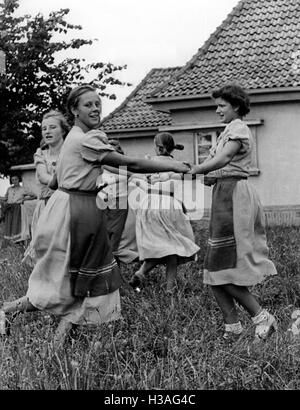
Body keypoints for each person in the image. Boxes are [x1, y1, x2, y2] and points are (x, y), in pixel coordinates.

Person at [0, 84, 190, 346]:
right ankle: (19, 320)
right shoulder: (88, 139)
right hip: (77, 213)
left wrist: (85, 183)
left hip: (68, 208)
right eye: (88, 104)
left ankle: (36, 332)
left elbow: (55, 182)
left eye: (98, 103)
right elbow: (130, 163)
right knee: (77, 281)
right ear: (74, 110)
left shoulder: (73, 140)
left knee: (75, 281)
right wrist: (173, 164)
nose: (95, 108)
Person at [188, 84, 278, 342]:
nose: (217, 111)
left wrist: (199, 169)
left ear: (235, 106)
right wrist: (207, 174)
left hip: (235, 198)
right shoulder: (226, 131)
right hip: (223, 196)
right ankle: (232, 327)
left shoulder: (238, 127)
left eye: (221, 106)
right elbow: (218, 167)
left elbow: (225, 159)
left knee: (227, 266)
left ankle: (262, 317)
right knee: (215, 267)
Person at [129, 132, 200, 293]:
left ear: (157, 147)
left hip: (150, 204)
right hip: (169, 205)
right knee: (173, 247)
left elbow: (134, 178)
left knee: (161, 246)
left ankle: (142, 274)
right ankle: (168, 288)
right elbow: (192, 175)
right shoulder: (178, 164)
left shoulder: (148, 163)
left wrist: (145, 183)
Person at [22, 110, 68, 265]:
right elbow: (42, 176)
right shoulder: (40, 154)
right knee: (46, 251)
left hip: (67, 205)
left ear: (63, 130)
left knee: (66, 247)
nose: (47, 131)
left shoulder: (71, 152)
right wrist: (61, 183)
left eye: (52, 127)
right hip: (47, 206)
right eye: (44, 129)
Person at [2, 174, 32, 241]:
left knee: (17, 223)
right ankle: (11, 240)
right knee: (10, 224)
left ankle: (19, 240)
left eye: (16, 179)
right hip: (9, 209)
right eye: (13, 180)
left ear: (19, 180)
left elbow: (34, 195)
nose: (14, 181)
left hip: (18, 208)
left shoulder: (23, 189)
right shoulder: (9, 189)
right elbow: (5, 198)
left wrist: (24, 199)